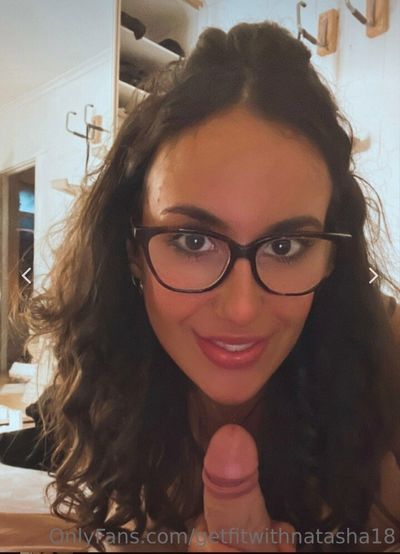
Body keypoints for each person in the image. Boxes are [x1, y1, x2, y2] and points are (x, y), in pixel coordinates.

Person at [8, 20, 400, 553]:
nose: (242, 310)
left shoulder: (386, 363)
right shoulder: (103, 379)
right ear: (131, 249)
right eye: (193, 241)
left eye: (286, 246)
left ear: (334, 256)